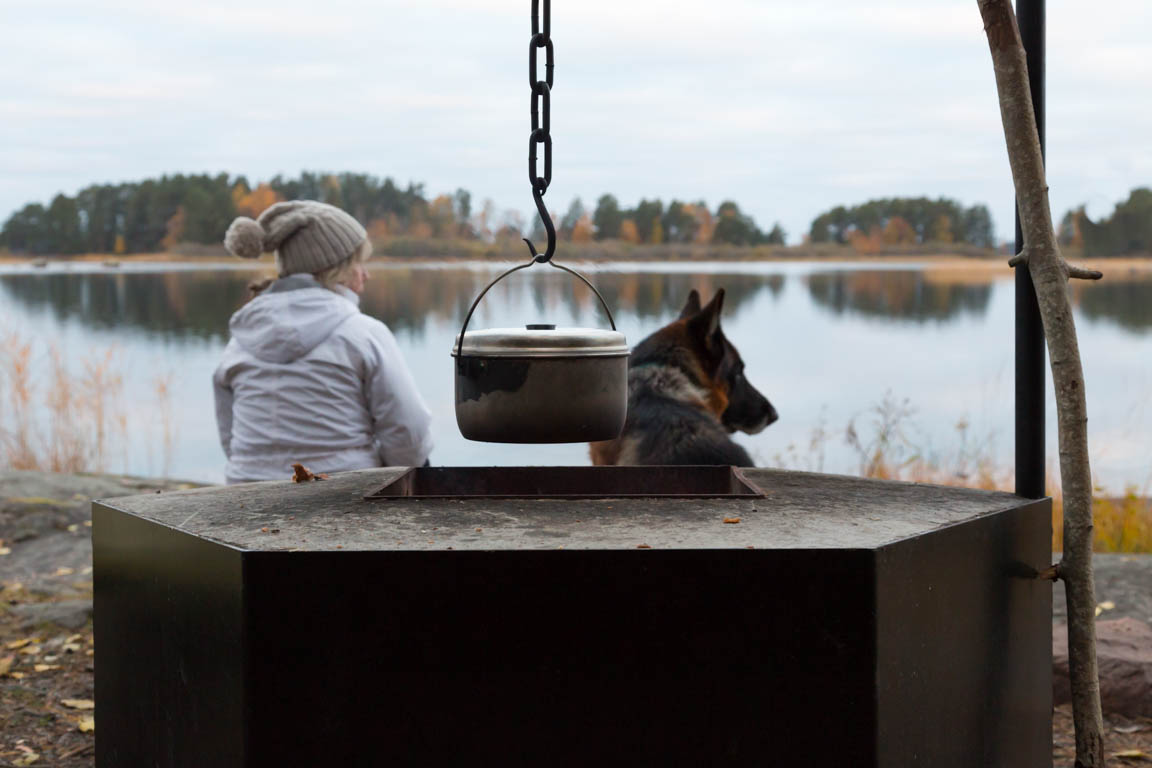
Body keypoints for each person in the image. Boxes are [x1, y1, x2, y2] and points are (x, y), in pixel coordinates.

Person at [213, 200, 433, 483]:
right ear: (336, 270)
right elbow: (408, 434)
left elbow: (230, 436)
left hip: (246, 494)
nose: (366, 274)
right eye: (359, 264)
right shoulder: (363, 334)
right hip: (344, 496)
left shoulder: (240, 342)